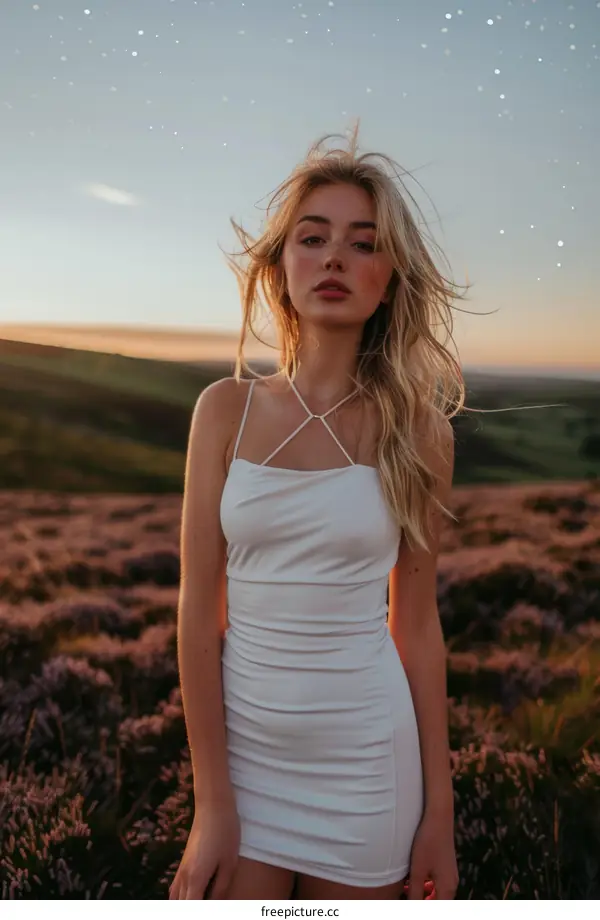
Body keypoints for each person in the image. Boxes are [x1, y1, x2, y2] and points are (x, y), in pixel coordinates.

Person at [169, 129, 467, 901]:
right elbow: (201, 613)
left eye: (362, 243)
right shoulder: (223, 411)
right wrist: (212, 804)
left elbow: (417, 627)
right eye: (313, 237)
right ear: (281, 267)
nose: (334, 257)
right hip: (245, 763)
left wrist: (441, 810)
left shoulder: (420, 434)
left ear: (388, 276)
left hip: (369, 765)